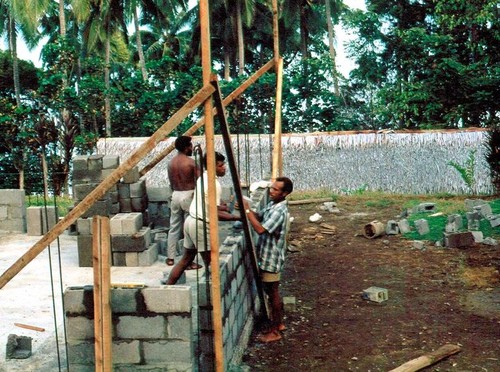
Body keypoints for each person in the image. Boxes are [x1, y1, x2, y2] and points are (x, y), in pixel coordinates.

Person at [166, 152, 241, 285]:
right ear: (213, 167)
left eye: (224, 164)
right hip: (200, 225)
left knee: (186, 259)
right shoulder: (214, 184)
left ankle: (168, 286)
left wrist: (225, 208)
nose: (224, 168)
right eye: (220, 165)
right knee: (212, 264)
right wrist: (238, 218)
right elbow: (214, 213)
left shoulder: (202, 178)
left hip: (190, 221)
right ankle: (214, 300)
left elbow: (209, 205)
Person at [242, 177, 293, 343]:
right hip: (267, 255)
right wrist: (248, 209)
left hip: (272, 258)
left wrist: (248, 212)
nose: (271, 191)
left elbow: (261, 229)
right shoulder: (273, 204)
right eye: (271, 188)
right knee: (272, 293)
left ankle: (275, 331)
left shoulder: (280, 211)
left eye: (276, 190)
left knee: (273, 293)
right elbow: (260, 216)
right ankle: (278, 324)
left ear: (285, 193)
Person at [166, 136, 202, 270]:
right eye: (190, 146)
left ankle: (170, 258)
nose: (192, 148)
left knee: (174, 227)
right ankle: (188, 261)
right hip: (188, 194)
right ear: (187, 147)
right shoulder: (191, 163)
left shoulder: (171, 163)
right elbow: (200, 181)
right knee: (189, 228)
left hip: (175, 194)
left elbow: (171, 182)